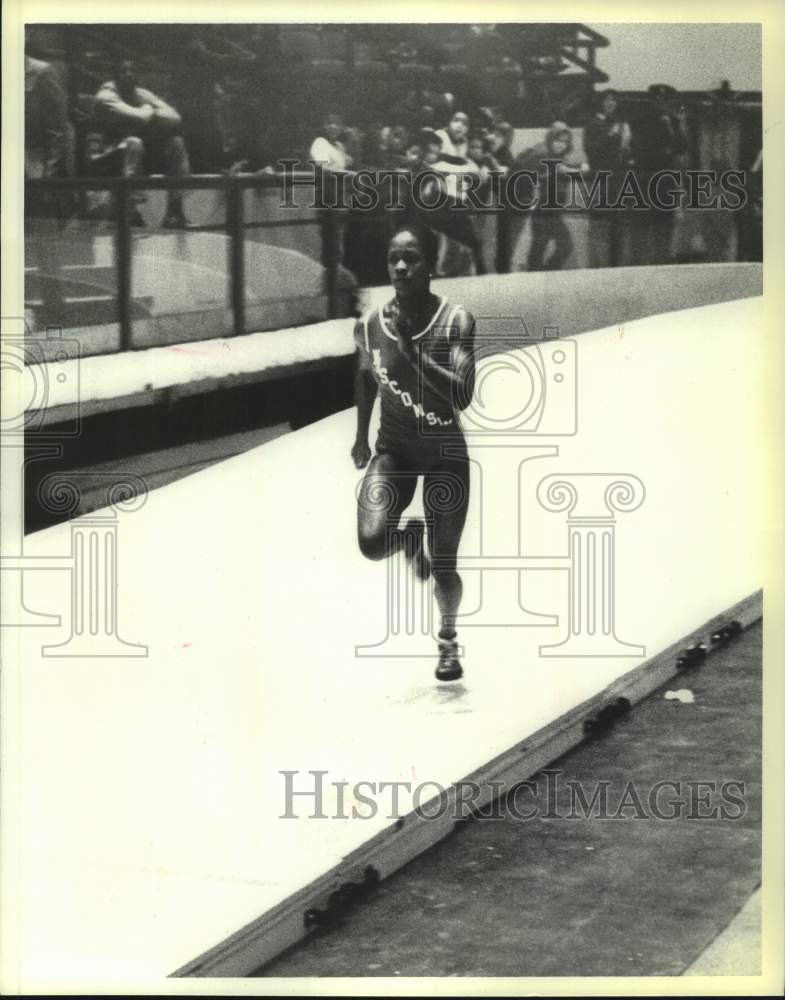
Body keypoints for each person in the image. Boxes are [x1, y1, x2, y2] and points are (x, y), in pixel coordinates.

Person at [351, 225, 476, 682]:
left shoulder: (455, 320)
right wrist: (361, 436)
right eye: (393, 258)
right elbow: (365, 375)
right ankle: (407, 538)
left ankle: (447, 643)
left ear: (431, 265)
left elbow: (463, 394)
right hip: (396, 451)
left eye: (412, 258)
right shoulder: (369, 324)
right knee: (370, 542)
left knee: (444, 563)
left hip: (445, 452)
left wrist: (415, 355)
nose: (401, 267)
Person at [93, 59, 190, 228]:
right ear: (115, 75)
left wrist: (147, 109)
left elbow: (174, 117)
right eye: (124, 71)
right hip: (107, 156)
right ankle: (131, 211)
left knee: (176, 142)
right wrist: (149, 109)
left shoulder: (141, 93)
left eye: (133, 71)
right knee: (134, 142)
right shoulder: (105, 95)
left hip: (138, 155)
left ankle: (174, 211)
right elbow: (140, 117)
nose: (129, 74)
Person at [515, 121, 581, 272]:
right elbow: (528, 163)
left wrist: (574, 168)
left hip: (553, 212)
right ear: (550, 139)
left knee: (558, 246)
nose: (561, 145)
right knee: (543, 246)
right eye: (558, 140)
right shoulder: (542, 154)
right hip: (542, 212)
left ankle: (541, 275)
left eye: (565, 142)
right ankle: (536, 277)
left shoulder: (559, 157)